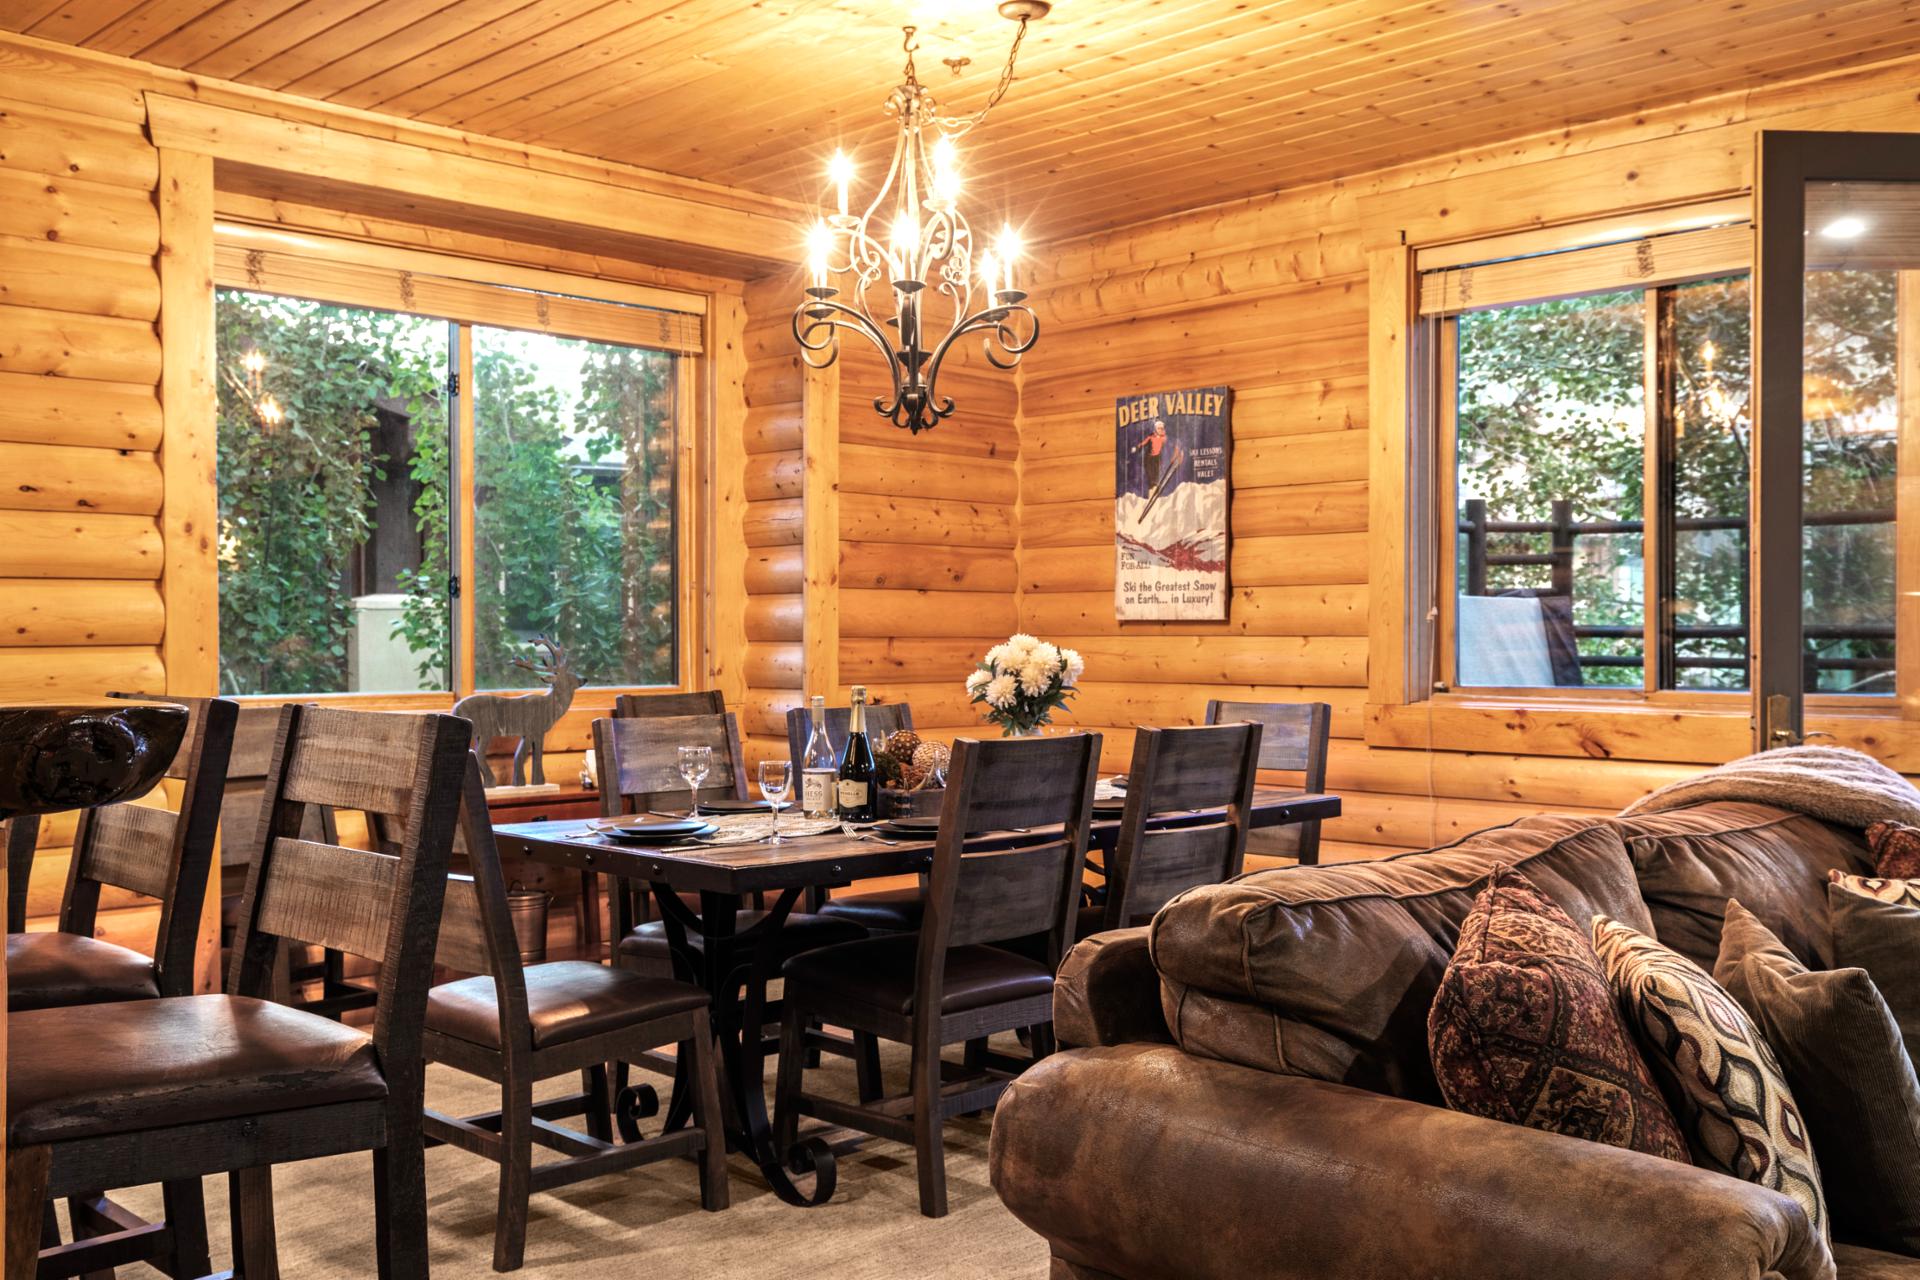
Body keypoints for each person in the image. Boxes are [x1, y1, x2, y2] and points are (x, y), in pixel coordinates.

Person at [1130, 419, 1169, 494]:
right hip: (1149, 458)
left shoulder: (1163, 437)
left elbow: (1167, 440)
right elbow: (1143, 443)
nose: (1160, 430)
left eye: (1162, 428)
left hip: (1157, 458)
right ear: (1155, 429)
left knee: (1156, 472)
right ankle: (1151, 488)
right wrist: (1137, 447)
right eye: (1159, 428)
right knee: (1150, 473)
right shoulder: (1151, 436)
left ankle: (1155, 486)